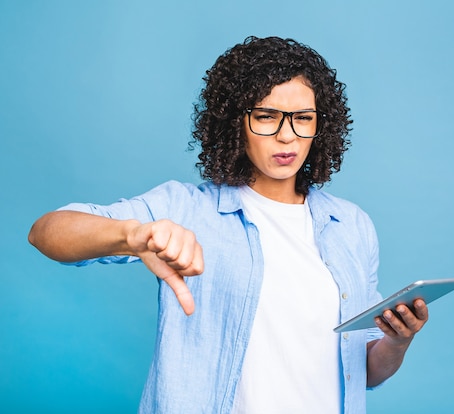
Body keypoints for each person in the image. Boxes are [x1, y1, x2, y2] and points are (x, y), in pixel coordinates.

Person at [28, 36, 428, 414]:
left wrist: (397, 340)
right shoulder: (186, 208)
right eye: (267, 116)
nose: (287, 136)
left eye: (303, 118)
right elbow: (47, 232)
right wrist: (133, 235)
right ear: (235, 122)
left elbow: (365, 372)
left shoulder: (351, 226)